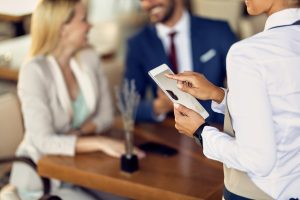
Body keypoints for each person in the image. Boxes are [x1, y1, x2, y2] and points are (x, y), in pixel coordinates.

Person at [9, 0, 144, 199]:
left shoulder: (89, 58)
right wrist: (98, 142)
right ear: (62, 28)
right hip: (43, 176)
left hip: (80, 165)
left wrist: (78, 134)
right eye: (83, 20)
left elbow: (106, 116)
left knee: (130, 195)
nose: (90, 25)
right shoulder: (34, 71)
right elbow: (43, 142)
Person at [167, 0, 300, 199]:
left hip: (258, 193)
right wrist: (218, 95)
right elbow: (285, 108)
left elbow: (257, 160)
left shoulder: (248, 54)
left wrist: (200, 132)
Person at [124, 0, 237, 123]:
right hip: (171, 133)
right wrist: (158, 106)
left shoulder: (218, 31)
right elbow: (127, 104)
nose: (147, 3)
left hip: (217, 128)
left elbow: (247, 86)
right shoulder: (138, 43)